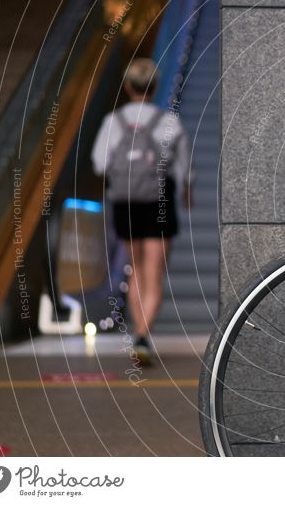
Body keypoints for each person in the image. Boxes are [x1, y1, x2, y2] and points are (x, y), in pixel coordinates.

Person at [91, 59, 192, 365]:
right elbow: (183, 167)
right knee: (154, 272)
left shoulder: (113, 122)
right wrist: (187, 191)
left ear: (126, 87)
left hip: (126, 202)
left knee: (134, 269)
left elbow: (99, 163)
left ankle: (138, 332)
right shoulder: (169, 123)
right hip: (159, 201)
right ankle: (143, 337)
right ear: (156, 87)